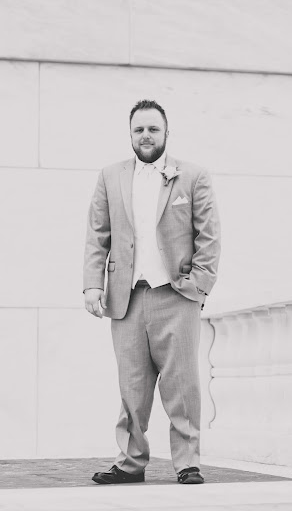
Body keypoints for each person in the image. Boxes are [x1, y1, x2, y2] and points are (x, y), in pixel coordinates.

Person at [83, 99, 221, 485]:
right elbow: (98, 235)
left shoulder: (193, 176)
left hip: (177, 295)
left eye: (153, 129)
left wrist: (199, 285)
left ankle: (187, 462)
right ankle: (130, 463)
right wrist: (93, 284)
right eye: (139, 129)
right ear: (130, 134)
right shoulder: (110, 176)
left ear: (165, 133)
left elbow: (208, 237)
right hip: (126, 297)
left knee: (182, 383)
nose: (146, 136)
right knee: (132, 385)